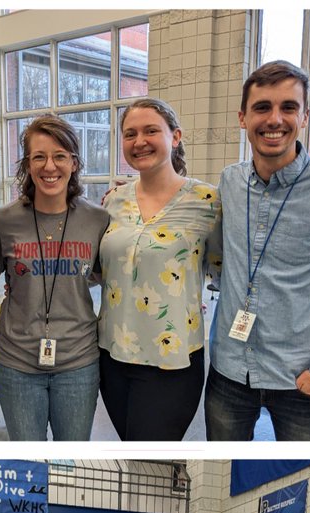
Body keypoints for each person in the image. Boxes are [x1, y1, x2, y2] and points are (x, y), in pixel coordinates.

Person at [205, 60, 310, 441]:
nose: (274, 119)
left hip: (301, 377)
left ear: (305, 116)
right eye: (262, 107)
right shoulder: (230, 180)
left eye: (288, 107)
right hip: (229, 371)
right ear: (243, 118)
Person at [97, 98, 222, 439]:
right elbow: (99, 270)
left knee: (151, 458)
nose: (139, 141)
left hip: (171, 359)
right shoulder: (112, 201)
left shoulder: (208, 202)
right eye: (130, 134)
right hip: (112, 355)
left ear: (175, 136)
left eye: (151, 131)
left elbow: (232, 269)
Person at [0, 115, 109, 440]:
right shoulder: (4, 220)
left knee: (70, 464)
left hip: (77, 363)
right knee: (29, 464)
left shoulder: (98, 219)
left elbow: (108, 276)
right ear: (27, 164)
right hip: (18, 363)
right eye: (39, 156)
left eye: (60, 156)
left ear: (74, 163)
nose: (49, 166)